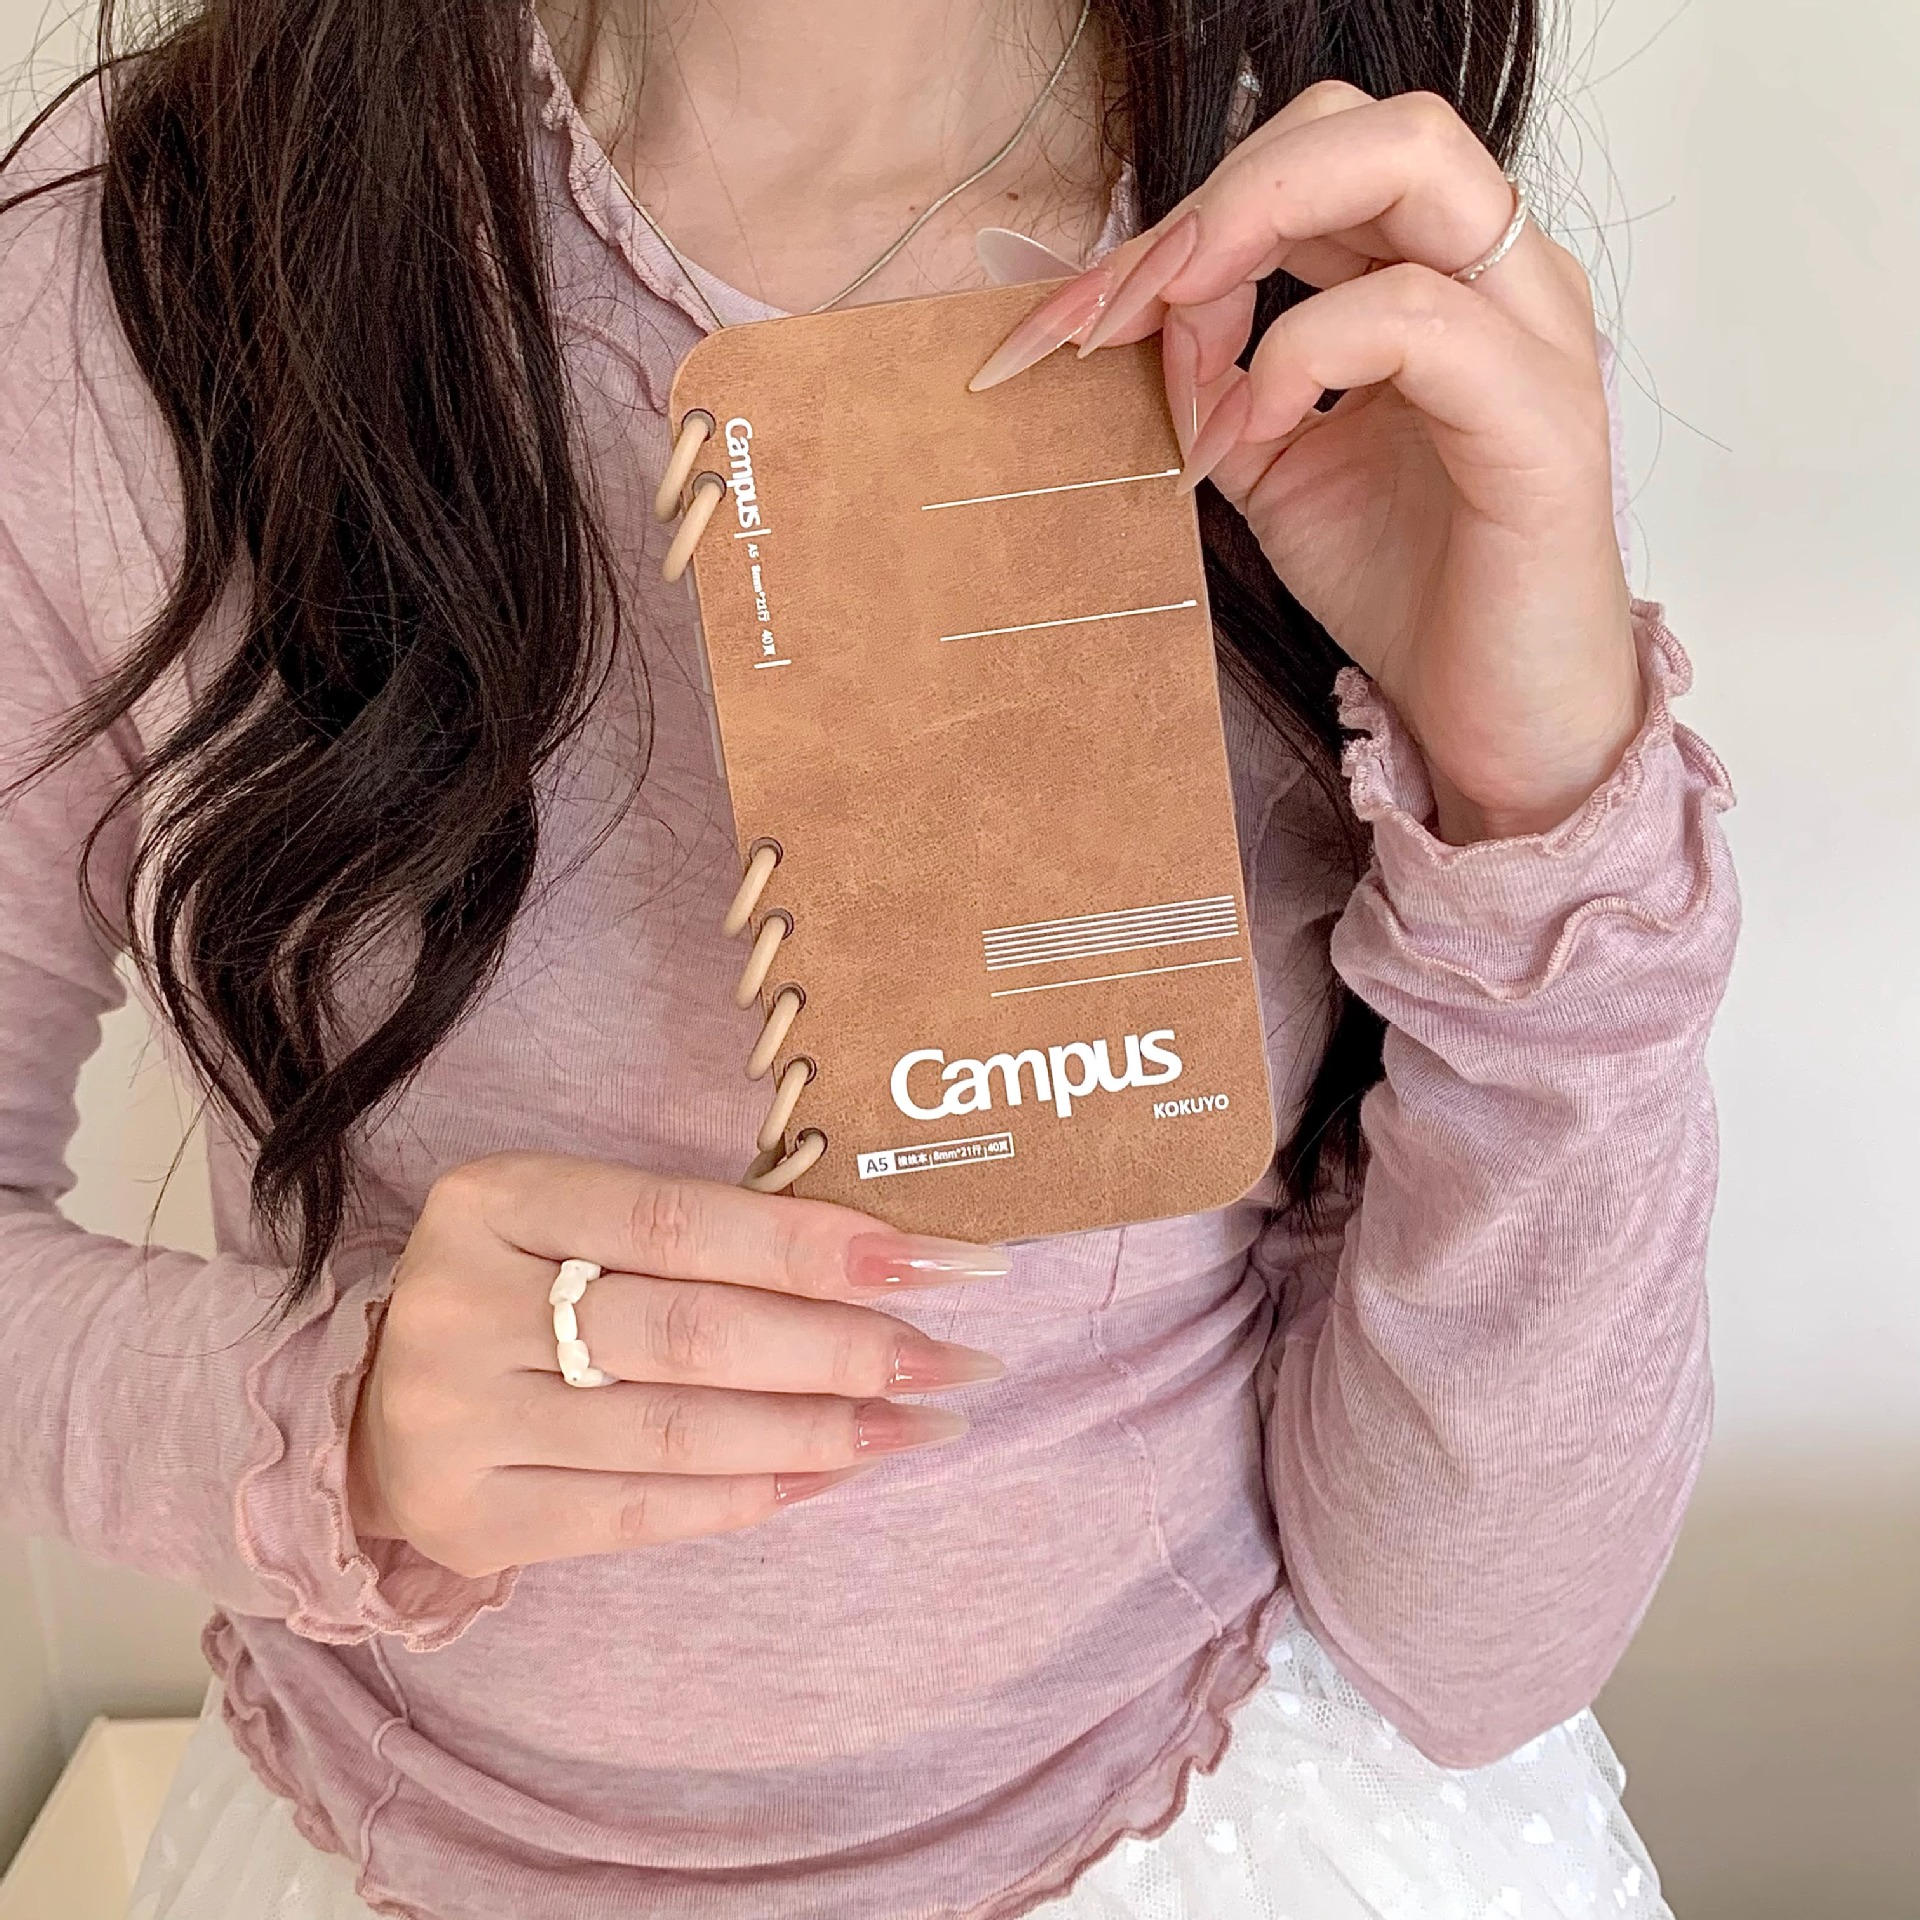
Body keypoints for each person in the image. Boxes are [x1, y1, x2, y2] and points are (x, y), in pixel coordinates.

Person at [0, 1, 1737, 1915]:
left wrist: (1539, 810)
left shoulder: (1344, 305)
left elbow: (1477, 1647)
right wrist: (315, 1424)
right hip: (393, 1834)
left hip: (1223, 1824)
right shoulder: (133, 286)